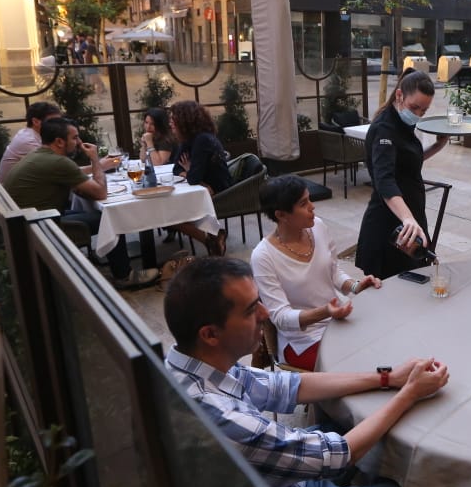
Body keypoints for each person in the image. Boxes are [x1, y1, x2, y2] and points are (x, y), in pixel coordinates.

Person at [162, 257, 453, 487]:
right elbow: (339, 454)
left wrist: (387, 378)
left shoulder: (192, 367)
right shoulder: (220, 419)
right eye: (251, 309)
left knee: (343, 424)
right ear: (210, 334)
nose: (265, 314)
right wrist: (409, 394)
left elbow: (288, 386)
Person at [4, 117, 158, 289]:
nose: (79, 142)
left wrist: (99, 166)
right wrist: (95, 159)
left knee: (97, 212)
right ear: (59, 141)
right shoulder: (59, 162)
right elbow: (100, 192)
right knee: (109, 217)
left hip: (28, 223)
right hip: (44, 227)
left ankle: (111, 260)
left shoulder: (39, 155)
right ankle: (124, 276)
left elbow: (74, 173)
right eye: (75, 137)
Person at [251, 175, 381, 370]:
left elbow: (333, 271)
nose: (312, 207)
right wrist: (325, 311)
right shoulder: (263, 256)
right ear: (281, 215)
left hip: (336, 323)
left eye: (309, 199)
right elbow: (280, 317)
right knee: (363, 365)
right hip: (303, 341)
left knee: (384, 340)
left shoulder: (318, 226)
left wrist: (356, 286)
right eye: (303, 204)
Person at [357, 71, 449, 279]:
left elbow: (407, 162)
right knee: (393, 288)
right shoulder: (384, 129)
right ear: (399, 95)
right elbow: (384, 180)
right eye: (414, 107)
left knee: (413, 283)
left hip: (409, 221)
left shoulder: (403, 123)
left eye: (423, 110)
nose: (418, 114)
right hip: (389, 225)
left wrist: (437, 145)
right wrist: (408, 218)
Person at [167, 100, 231, 256]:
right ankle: (212, 239)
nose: (170, 123)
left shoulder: (202, 140)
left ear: (185, 120)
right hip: (205, 186)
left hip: (220, 189)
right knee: (170, 211)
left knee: (171, 214)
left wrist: (190, 172)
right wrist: (189, 172)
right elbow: (176, 169)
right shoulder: (188, 139)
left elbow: (193, 178)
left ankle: (212, 238)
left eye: (173, 119)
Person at [0, 101, 62, 183]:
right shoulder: (29, 141)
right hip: (9, 190)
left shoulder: (30, 133)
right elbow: (56, 169)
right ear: (35, 121)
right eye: (53, 122)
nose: (59, 126)